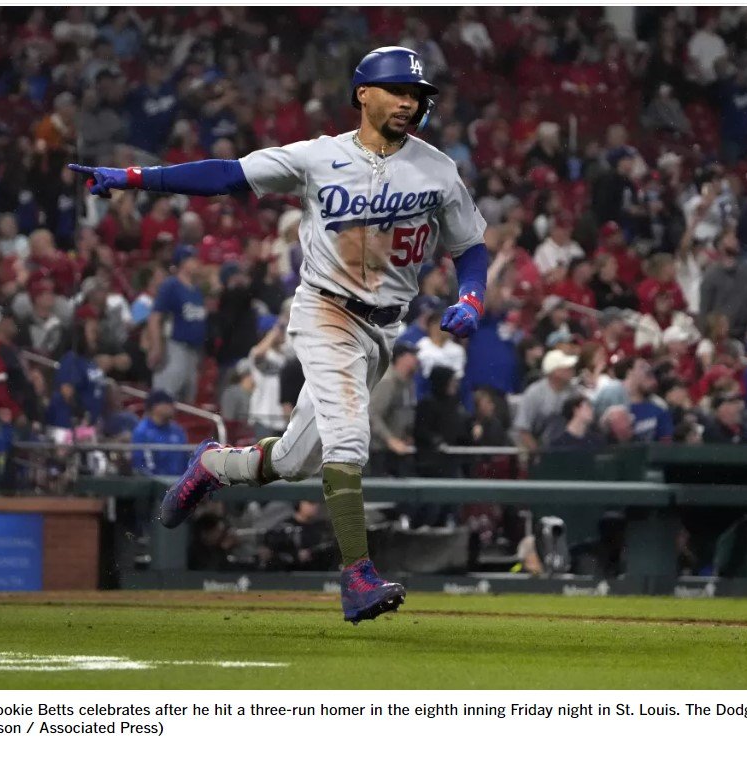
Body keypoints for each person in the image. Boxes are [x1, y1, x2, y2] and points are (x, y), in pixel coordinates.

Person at [72, 47, 489, 623]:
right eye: (397, 90)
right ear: (364, 93)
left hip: (382, 329)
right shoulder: (318, 157)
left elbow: (470, 246)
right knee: (348, 440)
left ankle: (214, 467)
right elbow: (227, 175)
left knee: (294, 461)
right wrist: (137, 178)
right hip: (325, 311)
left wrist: (472, 297)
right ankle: (356, 578)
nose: (409, 102)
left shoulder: (437, 168)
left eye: (417, 94)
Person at [147, 246, 207, 404]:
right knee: (165, 397)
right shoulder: (171, 285)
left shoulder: (196, 290)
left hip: (193, 352)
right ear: (183, 262)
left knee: (188, 402)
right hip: (174, 347)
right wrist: (156, 346)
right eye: (192, 259)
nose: (197, 263)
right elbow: (155, 317)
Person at [368, 342, 419, 477]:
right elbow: (372, 413)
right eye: (412, 355)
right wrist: (390, 440)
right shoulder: (388, 381)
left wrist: (407, 435)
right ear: (401, 358)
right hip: (381, 450)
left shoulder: (409, 382)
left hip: (400, 448)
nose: (416, 359)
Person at [512, 349, 577, 452]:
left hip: (568, 450)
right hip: (539, 448)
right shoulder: (534, 393)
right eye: (566, 368)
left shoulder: (574, 392)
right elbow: (523, 429)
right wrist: (539, 454)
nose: (571, 370)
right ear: (555, 371)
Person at [131, 389, 188, 477]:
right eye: (167, 403)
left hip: (180, 484)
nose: (172, 407)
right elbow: (143, 466)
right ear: (155, 407)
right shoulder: (142, 432)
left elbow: (186, 461)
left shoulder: (177, 430)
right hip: (154, 486)